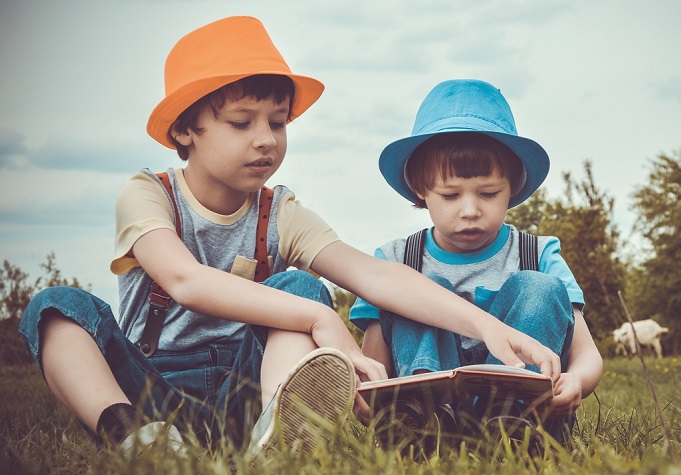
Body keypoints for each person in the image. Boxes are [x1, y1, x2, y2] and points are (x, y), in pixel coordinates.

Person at [17, 18, 562, 457]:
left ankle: (278, 429)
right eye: (241, 123)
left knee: (300, 285)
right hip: (150, 387)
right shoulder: (148, 194)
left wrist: (488, 327)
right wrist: (321, 319)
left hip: (244, 390)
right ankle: (133, 437)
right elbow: (184, 281)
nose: (266, 140)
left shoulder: (281, 212)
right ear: (184, 129)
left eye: (277, 123)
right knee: (58, 307)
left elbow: (376, 276)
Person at [349, 79, 603, 442]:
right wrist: (370, 397)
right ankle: (425, 418)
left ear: (512, 187)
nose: (470, 210)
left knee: (537, 286)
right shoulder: (396, 261)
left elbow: (587, 354)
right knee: (416, 289)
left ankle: (512, 419)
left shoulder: (537, 254)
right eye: (450, 195)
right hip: (428, 422)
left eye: (488, 193)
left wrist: (576, 380)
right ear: (421, 190)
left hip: (526, 417)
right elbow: (374, 367)